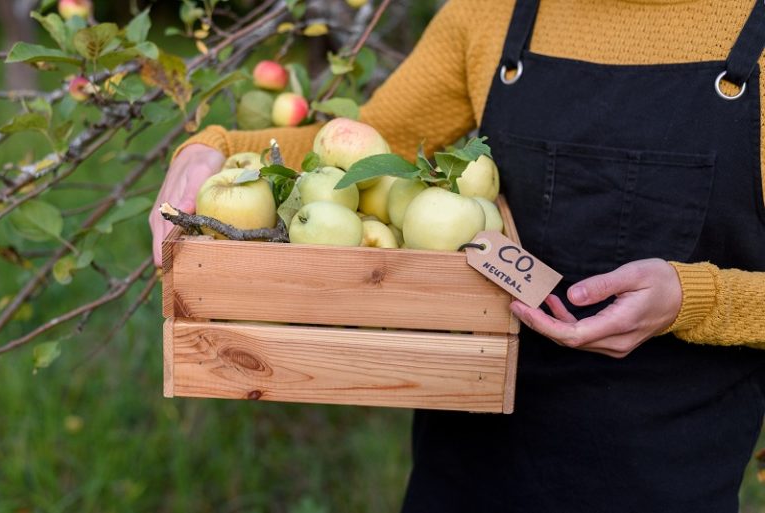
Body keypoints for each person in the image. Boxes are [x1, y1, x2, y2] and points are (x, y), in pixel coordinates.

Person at [150, 0, 765, 511]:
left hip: (663, 472)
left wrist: (695, 299)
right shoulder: (497, 13)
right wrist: (215, 149)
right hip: (471, 467)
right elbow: (357, 150)